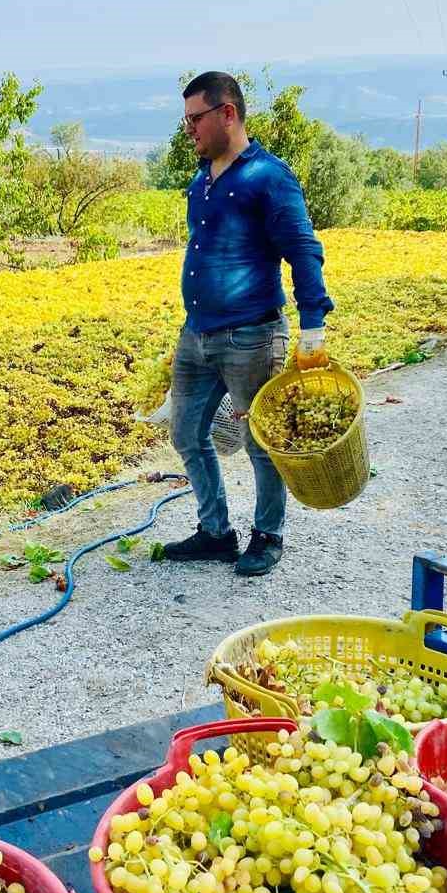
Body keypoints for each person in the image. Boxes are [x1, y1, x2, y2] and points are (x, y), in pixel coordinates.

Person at [162, 71, 333, 577]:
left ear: (228, 114)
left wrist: (313, 324)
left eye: (196, 119)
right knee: (186, 432)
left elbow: (302, 249)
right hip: (197, 333)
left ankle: (268, 534)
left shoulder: (268, 177)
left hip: (252, 335)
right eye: (186, 119)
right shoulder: (201, 180)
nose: (189, 129)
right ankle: (216, 532)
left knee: (261, 442)